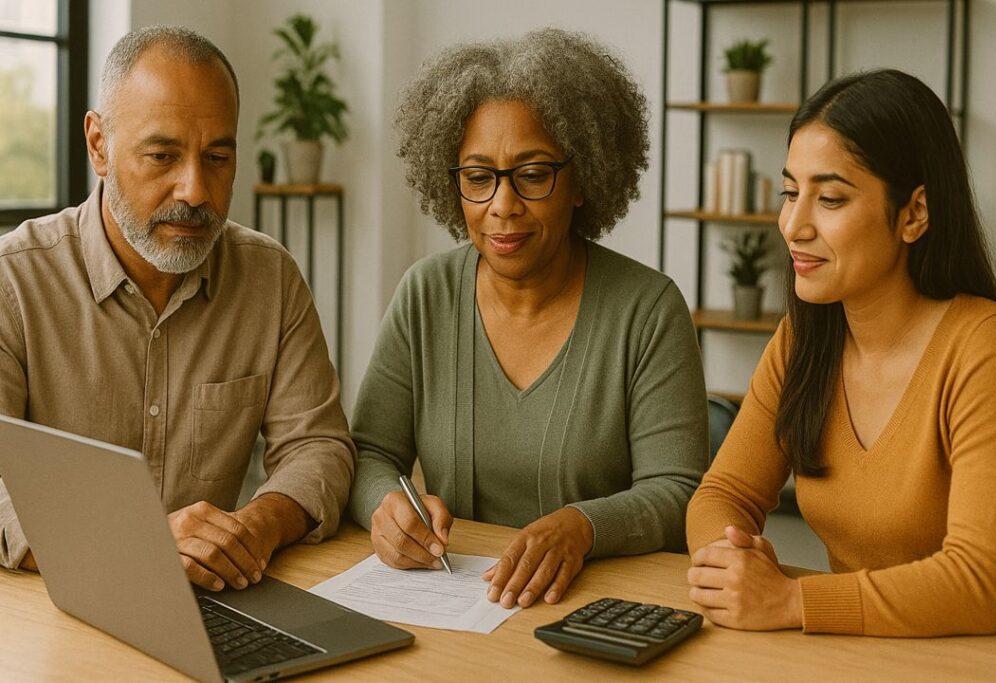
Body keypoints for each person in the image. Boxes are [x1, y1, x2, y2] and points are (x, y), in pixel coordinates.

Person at [348, 28, 708, 611]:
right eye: (478, 176)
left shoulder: (648, 310)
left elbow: (680, 491)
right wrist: (387, 506)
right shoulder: (425, 293)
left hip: (595, 608)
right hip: (455, 602)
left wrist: (583, 527)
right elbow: (368, 453)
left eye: (534, 174)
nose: (502, 205)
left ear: (583, 180)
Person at [0, 27, 355, 592]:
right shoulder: (13, 280)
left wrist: (254, 529)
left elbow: (320, 447)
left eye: (217, 157)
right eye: (162, 155)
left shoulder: (271, 278)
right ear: (98, 145)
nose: (194, 189)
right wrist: (139, 542)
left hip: (217, 598)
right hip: (58, 609)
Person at [685, 69, 996, 636]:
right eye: (791, 192)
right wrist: (731, 560)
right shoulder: (803, 340)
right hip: (846, 653)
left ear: (914, 213)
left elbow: (981, 584)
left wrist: (793, 602)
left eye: (832, 199)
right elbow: (724, 493)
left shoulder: (988, 346)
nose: (793, 226)